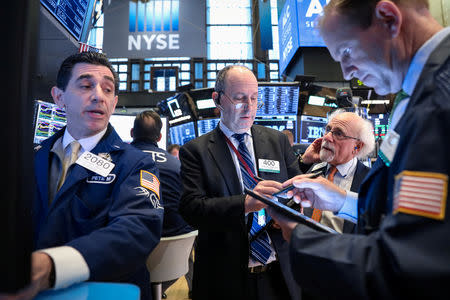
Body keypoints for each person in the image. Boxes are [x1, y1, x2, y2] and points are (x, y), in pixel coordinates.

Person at [268, 0, 450, 299]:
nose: (345, 70)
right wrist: (342, 201)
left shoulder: (437, 101)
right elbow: (410, 213)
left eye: (347, 52)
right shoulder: (416, 95)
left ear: (389, 18)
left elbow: (412, 262)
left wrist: (300, 239)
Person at [28, 52, 163, 300]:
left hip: (102, 291)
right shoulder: (30, 157)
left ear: (114, 103)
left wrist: (53, 265)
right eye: (86, 85)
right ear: (59, 97)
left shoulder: (136, 163)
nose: (99, 95)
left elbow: (136, 230)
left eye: (108, 90)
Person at [179, 65, 302, 300]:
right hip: (225, 276)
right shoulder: (196, 151)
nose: (249, 107)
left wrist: (288, 210)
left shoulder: (277, 141)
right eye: (239, 98)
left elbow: (294, 196)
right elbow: (191, 209)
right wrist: (245, 203)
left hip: (279, 273)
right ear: (218, 100)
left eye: (254, 98)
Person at [130, 110, 194, 296]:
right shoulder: (177, 165)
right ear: (159, 136)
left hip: (135, 251)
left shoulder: (120, 160)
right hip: (174, 254)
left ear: (132, 133)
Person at [298, 109, 374, 233]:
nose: (327, 137)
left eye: (338, 133)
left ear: (357, 146)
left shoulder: (371, 182)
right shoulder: (314, 168)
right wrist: (305, 161)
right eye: (328, 129)